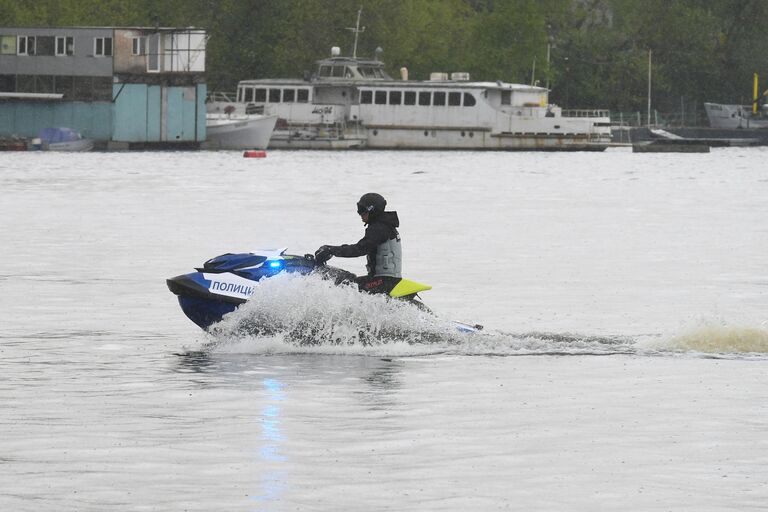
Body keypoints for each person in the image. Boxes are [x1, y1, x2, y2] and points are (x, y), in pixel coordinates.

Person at [315, 193, 402, 294]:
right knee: (346, 279)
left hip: (384, 281)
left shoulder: (379, 228)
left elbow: (359, 249)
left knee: (348, 286)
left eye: (362, 210)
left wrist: (331, 250)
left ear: (372, 210)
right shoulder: (385, 225)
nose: (360, 214)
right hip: (385, 279)